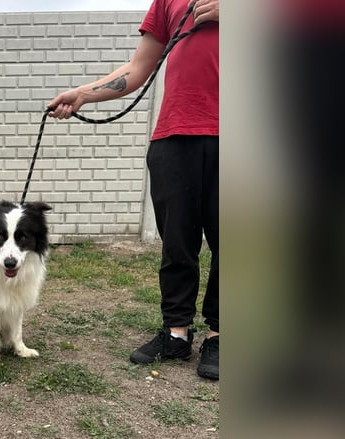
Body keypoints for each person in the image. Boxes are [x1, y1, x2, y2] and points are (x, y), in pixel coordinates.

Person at [48, 0, 219, 379]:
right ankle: (176, 333)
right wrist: (84, 93)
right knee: (176, 242)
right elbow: (138, 68)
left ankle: (219, 336)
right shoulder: (169, 2)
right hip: (174, 137)